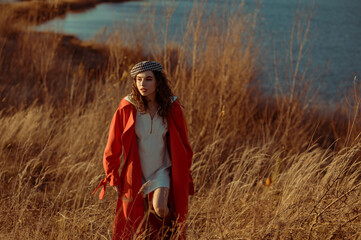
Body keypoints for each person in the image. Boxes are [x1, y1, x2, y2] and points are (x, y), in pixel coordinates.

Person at [93, 61, 194, 239]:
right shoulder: (127, 107)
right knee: (140, 220)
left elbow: (184, 143)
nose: (142, 84)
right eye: (139, 79)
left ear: (158, 82)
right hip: (137, 172)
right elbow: (113, 143)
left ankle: (169, 232)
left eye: (148, 79)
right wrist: (113, 174)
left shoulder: (172, 107)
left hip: (162, 169)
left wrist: (186, 170)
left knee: (161, 207)